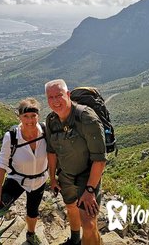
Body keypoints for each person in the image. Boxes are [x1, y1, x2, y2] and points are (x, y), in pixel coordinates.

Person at [44, 79, 106, 245]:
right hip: (66, 176)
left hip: (88, 177)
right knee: (71, 207)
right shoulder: (51, 120)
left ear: (68, 95)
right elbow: (51, 152)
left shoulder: (86, 118)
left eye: (59, 95)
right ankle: (75, 240)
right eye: (51, 97)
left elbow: (100, 160)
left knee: (88, 223)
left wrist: (90, 190)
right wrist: (52, 178)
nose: (56, 101)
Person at [0, 97, 48, 245]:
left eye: (33, 116)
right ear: (19, 116)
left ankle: (31, 235)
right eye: (26, 116)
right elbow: (1, 164)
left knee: (32, 211)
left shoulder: (45, 131)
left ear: (38, 116)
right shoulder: (12, 136)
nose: (30, 120)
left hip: (39, 180)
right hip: (17, 179)